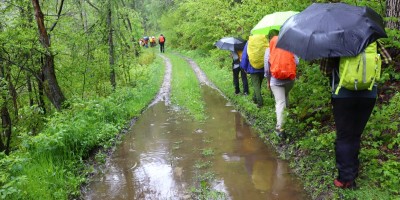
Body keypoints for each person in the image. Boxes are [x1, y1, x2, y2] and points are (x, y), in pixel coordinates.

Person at [319, 41, 391, 189]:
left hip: (343, 94)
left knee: (344, 136)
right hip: (368, 94)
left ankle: (345, 179)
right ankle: (352, 173)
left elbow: (325, 70)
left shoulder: (337, 40)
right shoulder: (372, 38)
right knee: (355, 135)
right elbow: (387, 60)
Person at [264, 30, 299, 137]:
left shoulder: (269, 49)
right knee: (285, 96)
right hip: (289, 80)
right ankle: (286, 119)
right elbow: (297, 61)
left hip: (276, 81)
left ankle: (280, 128)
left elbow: (266, 67)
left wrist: (268, 80)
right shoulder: (290, 46)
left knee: (280, 103)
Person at [240, 41, 265, 108]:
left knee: (256, 85)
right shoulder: (264, 41)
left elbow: (245, 56)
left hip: (253, 68)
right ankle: (254, 98)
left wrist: (244, 67)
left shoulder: (249, 42)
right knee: (258, 84)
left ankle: (260, 103)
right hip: (263, 67)